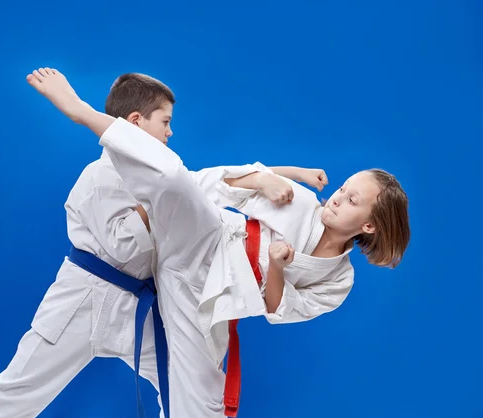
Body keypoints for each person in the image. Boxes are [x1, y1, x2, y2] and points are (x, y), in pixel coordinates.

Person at [26, 67, 411, 418]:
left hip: (211, 296)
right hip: (209, 240)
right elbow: (222, 185)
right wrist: (270, 178)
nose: (339, 198)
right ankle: (83, 112)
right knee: (177, 178)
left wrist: (277, 266)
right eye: (343, 189)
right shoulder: (306, 202)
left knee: (204, 406)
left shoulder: (338, 282)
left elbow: (278, 309)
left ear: (370, 227)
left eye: (352, 201)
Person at [0, 70, 327, 418]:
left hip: (137, 307)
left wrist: (288, 174)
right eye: (165, 122)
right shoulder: (100, 176)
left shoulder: (161, 178)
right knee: (19, 390)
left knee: (194, 387)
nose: (170, 133)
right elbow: (123, 248)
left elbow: (212, 182)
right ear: (135, 123)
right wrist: (158, 203)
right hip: (84, 300)